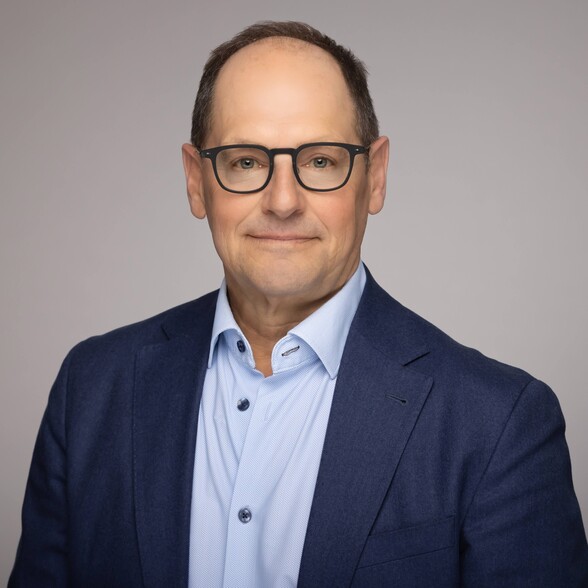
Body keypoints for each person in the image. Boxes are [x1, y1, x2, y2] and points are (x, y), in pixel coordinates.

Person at [10, 20, 588, 587]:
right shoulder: (91, 392)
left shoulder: (498, 423)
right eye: (245, 161)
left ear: (375, 177)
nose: (283, 201)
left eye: (320, 161)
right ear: (195, 180)